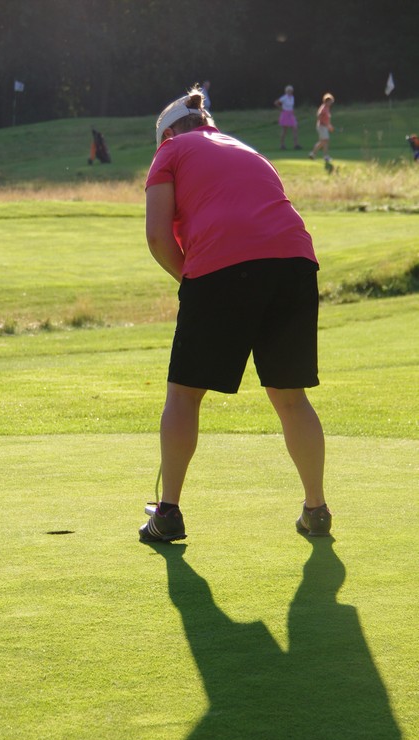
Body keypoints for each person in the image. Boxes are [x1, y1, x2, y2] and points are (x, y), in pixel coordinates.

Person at [139, 87, 331, 544]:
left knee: (184, 395)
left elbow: (157, 237)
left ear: (167, 134)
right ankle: (316, 509)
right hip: (295, 264)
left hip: (223, 266)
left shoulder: (170, 151)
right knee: (291, 396)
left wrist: (191, 281)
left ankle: (168, 513)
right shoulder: (248, 150)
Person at [309, 93, 335, 165]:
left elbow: (327, 120)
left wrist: (329, 126)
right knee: (325, 140)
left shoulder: (327, 108)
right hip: (322, 126)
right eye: (330, 101)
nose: (331, 103)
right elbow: (319, 116)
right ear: (326, 101)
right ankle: (324, 156)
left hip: (324, 126)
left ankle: (313, 154)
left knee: (323, 141)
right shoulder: (323, 108)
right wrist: (327, 125)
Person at [274, 84, 301, 149]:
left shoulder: (292, 97)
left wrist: (293, 114)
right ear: (286, 91)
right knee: (284, 130)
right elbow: (276, 103)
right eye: (288, 90)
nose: (290, 92)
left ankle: (296, 144)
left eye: (291, 90)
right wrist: (281, 109)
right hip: (285, 114)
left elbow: (291, 106)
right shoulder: (284, 97)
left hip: (291, 114)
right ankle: (282, 145)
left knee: (295, 128)